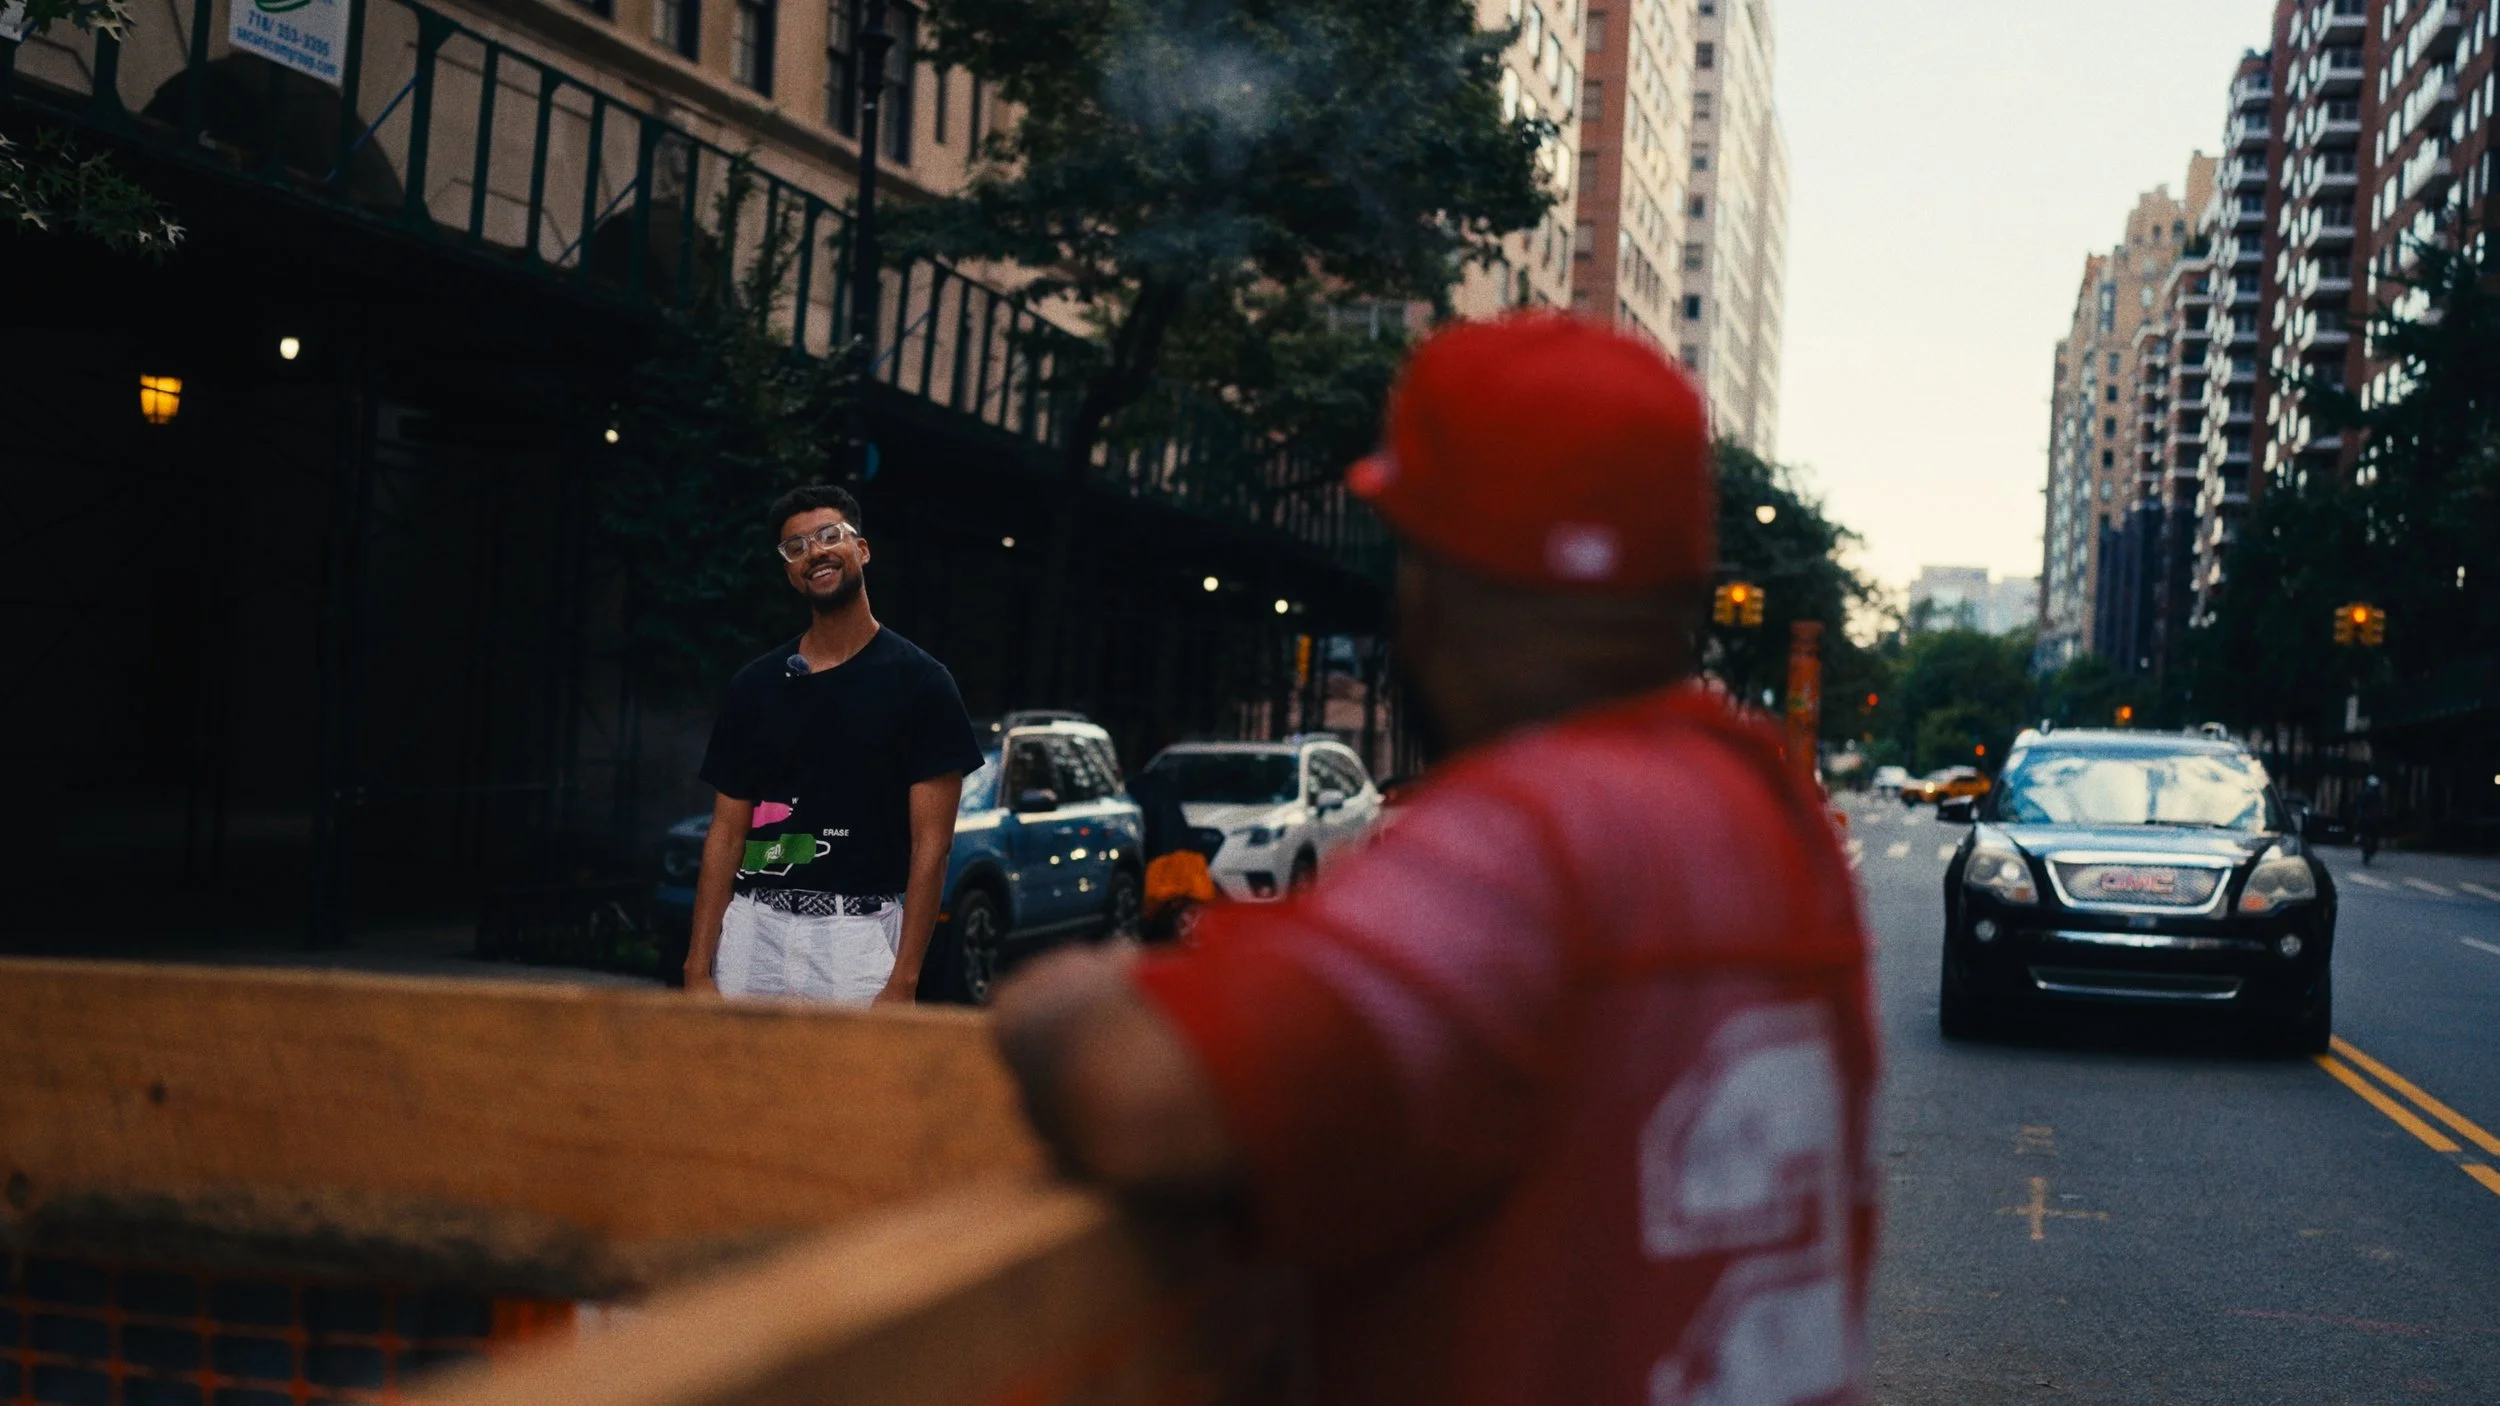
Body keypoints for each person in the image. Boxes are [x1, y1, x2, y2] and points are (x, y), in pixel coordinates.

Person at [989, 314, 1879, 1404]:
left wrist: (1062, 997)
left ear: (1433, 582)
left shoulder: (1528, 838)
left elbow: (1135, 1093)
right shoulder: (1771, 816)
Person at [684, 485, 984, 1004]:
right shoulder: (755, 686)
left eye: (829, 536)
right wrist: (697, 967)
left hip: (857, 941)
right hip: (752, 931)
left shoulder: (922, 684)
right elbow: (726, 834)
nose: (814, 553)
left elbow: (932, 848)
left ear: (861, 549)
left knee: (851, 1088)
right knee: (741, 1086)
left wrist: (905, 979)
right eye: (795, 547)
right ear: (788, 571)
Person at [2354, 774, 2387, 866]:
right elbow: (2360, 805)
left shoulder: (2377, 795)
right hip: (2367, 819)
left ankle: (2368, 848)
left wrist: (2382, 814)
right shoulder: (2365, 794)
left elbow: (2381, 806)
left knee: (2374, 837)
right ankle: (2360, 839)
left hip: (2374, 820)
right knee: (2363, 833)